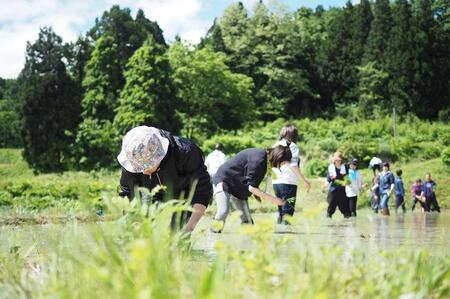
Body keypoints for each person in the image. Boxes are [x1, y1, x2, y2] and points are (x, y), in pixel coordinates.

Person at [117, 126, 213, 232]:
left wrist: (189, 227)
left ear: (159, 155)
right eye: (138, 167)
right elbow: (128, 194)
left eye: (147, 165)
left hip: (183, 193)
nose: (143, 171)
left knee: (178, 235)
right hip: (150, 193)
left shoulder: (186, 153)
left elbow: (202, 192)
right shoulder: (133, 156)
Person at [210, 146, 287, 233]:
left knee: (247, 220)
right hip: (224, 180)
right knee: (223, 211)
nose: (280, 166)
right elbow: (251, 187)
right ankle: (212, 235)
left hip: (239, 187)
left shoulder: (264, 159)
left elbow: (251, 181)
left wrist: (257, 193)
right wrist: (275, 200)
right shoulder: (259, 158)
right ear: (277, 157)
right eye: (282, 163)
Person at [272, 124, 311, 224]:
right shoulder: (292, 146)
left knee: (281, 211)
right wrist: (305, 181)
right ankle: (287, 236)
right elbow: (294, 166)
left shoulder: (275, 145)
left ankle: (279, 237)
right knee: (288, 213)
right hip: (288, 183)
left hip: (276, 183)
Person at [322, 152, 350, 218]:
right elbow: (328, 179)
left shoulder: (345, 168)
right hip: (333, 191)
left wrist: (347, 182)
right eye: (336, 160)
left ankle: (347, 225)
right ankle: (329, 225)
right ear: (334, 160)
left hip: (342, 191)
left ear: (341, 160)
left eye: (339, 160)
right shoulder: (331, 168)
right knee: (330, 210)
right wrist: (325, 185)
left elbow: (348, 179)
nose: (337, 161)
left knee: (346, 210)